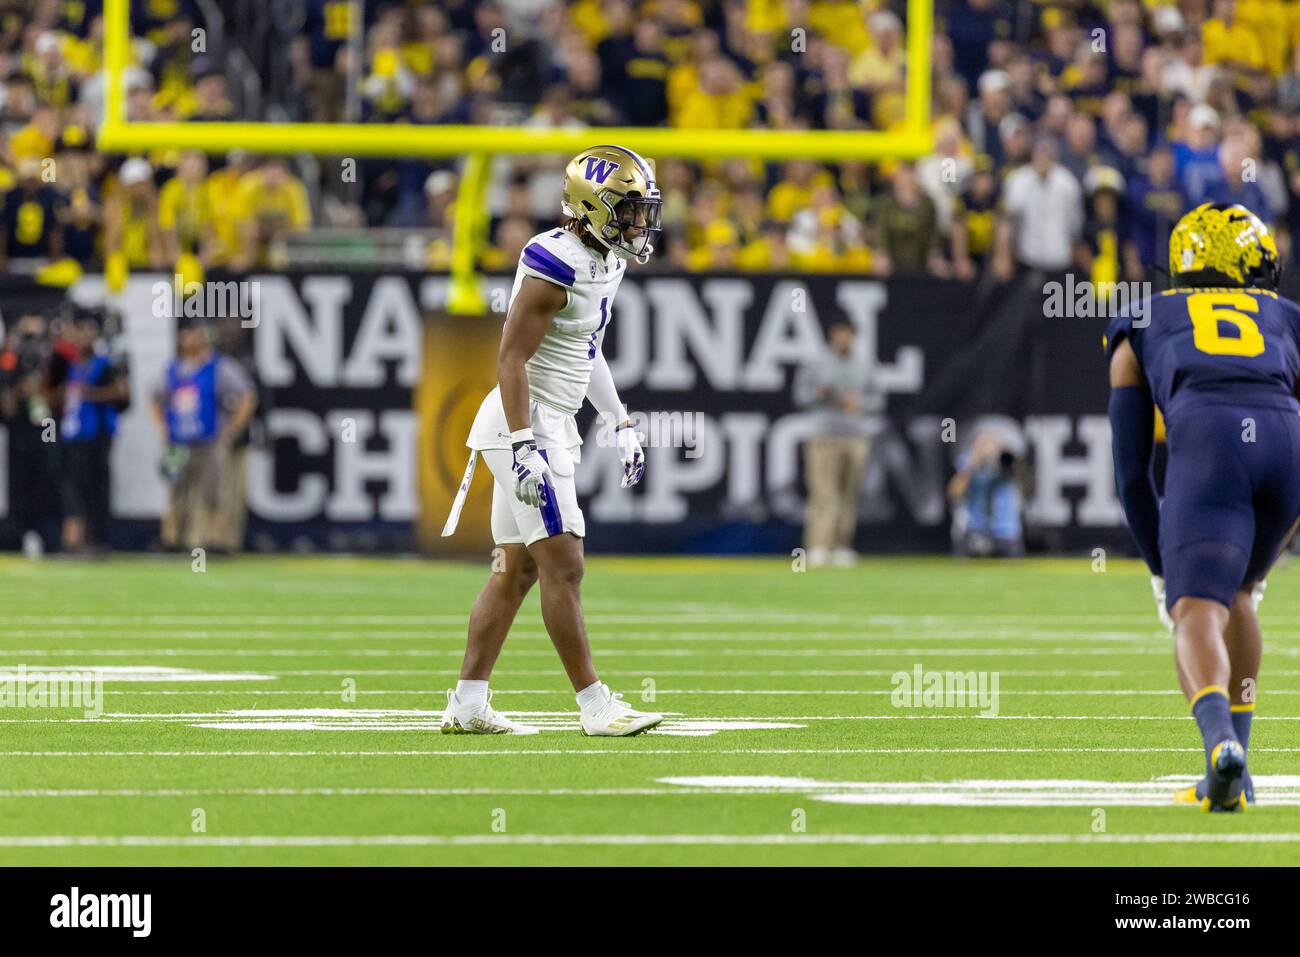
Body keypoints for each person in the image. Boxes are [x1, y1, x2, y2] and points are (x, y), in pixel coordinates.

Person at [440, 144, 664, 737]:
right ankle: (595, 705)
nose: (639, 224)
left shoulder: (605, 261)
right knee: (564, 564)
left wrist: (619, 421)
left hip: (551, 420)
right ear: (591, 208)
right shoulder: (553, 264)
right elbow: (510, 360)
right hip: (525, 420)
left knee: (514, 572)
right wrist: (521, 446)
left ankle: (467, 703)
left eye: (643, 211)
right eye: (628, 210)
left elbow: (583, 352)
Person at [1107, 202, 1299, 811]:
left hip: (1212, 441)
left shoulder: (1143, 316)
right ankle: (1236, 782)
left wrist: (1163, 569)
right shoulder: (1287, 317)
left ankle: (1221, 749)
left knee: (1197, 610)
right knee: (1241, 592)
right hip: (1286, 445)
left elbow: (1133, 474)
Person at [151, 319, 257, 551]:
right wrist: (164, 427)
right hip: (179, 441)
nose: (188, 339)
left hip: (208, 439)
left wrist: (230, 430)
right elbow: (156, 398)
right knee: (176, 491)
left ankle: (214, 540)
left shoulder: (219, 367)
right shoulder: (174, 369)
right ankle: (173, 539)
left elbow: (247, 397)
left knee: (213, 491)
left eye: (193, 334)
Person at [794, 321, 873, 567]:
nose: (842, 338)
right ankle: (818, 545)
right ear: (832, 336)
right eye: (838, 333)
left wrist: (859, 403)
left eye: (847, 334)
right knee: (823, 493)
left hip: (854, 436)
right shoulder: (817, 364)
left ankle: (841, 546)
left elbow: (878, 399)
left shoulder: (864, 365)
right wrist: (821, 394)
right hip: (824, 436)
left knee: (848, 494)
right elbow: (800, 396)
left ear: (853, 335)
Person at [59, 306, 129, 553]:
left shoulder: (106, 363)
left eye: (90, 329)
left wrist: (91, 394)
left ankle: (99, 539)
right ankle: (77, 539)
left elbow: (122, 394)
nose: (84, 335)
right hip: (74, 434)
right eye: (81, 329)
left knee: (97, 486)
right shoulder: (71, 364)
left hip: (98, 433)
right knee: (74, 486)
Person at [946, 427, 1024, 558]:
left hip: (1006, 531)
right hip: (975, 530)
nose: (989, 449)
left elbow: (1020, 479)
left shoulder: (1005, 459)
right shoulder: (968, 461)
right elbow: (954, 493)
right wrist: (974, 461)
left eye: (992, 444)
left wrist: (1002, 457)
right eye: (984, 444)